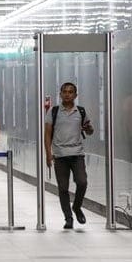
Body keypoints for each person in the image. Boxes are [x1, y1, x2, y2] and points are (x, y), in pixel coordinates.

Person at [44, 82, 94, 229]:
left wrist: (89, 128)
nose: (67, 94)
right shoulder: (53, 111)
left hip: (77, 154)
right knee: (63, 188)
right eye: (64, 91)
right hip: (60, 156)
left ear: (75, 95)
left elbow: (90, 131)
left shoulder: (81, 111)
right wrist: (48, 154)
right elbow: (47, 135)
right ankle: (68, 218)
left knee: (82, 182)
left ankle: (77, 207)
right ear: (60, 94)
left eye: (70, 92)